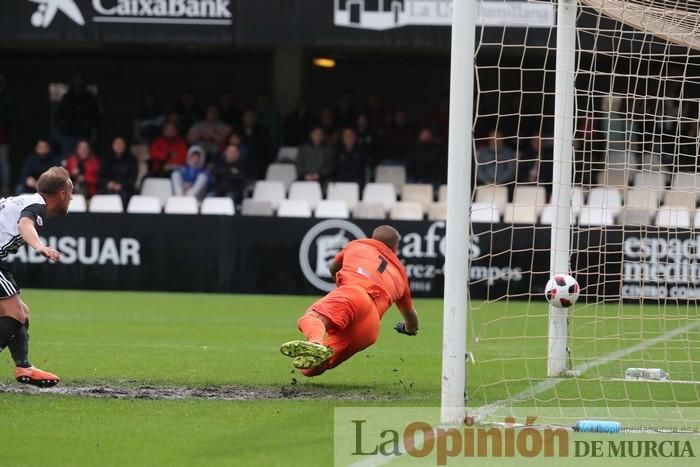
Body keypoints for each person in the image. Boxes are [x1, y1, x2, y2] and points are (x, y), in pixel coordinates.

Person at [280, 225, 419, 376]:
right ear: (395, 247)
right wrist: (408, 329)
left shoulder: (358, 245)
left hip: (355, 293)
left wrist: (341, 287)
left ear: (373, 238)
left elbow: (333, 267)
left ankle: (315, 342)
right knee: (309, 369)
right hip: (370, 328)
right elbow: (411, 317)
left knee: (312, 318)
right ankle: (317, 353)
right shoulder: (401, 275)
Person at [0, 166, 72, 387]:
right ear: (61, 194)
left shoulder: (27, 199)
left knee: (21, 312)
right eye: (71, 192)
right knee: (15, 314)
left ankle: (24, 366)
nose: (71, 197)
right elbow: (25, 224)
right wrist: (39, 246)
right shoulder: (37, 205)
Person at [55, 72, 100, 156]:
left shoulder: (89, 98)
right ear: (72, 81)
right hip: (68, 133)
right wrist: (62, 124)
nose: (77, 82)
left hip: (84, 133)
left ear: (83, 81)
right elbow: (58, 116)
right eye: (75, 80)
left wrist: (88, 124)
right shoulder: (66, 97)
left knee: (84, 157)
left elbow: (96, 116)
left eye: (79, 80)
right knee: (68, 157)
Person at [99, 137, 137, 205]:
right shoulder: (106, 159)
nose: (119, 146)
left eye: (121, 144)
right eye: (117, 144)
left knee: (124, 196)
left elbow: (133, 178)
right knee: (100, 195)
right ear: (112, 145)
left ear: (125, 145)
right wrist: (108, 184)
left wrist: (121, 185)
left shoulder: (131, 160)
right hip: (109, 188)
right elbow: (101, 176)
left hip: (125, 189)